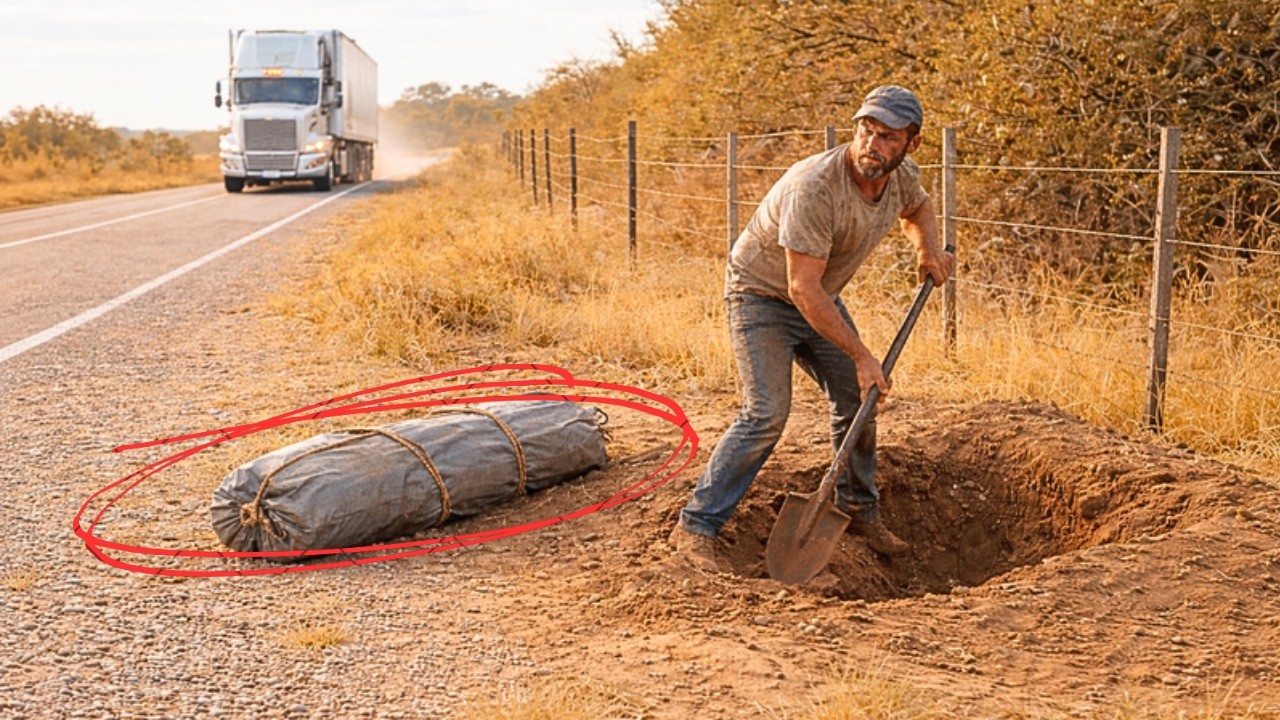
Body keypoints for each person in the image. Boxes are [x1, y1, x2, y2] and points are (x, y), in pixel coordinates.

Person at [668, 85, 954, 573]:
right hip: (761, 295)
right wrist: (863, 355)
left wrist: (927, 249)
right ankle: (697, 527)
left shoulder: (903, 177)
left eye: (887, 136)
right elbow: (802, 290)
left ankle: (860, 511)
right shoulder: (815, 186)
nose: (872, 144)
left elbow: (920, 208)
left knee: (858, 399)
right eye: (866, 130)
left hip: (819, 296)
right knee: (765, 414)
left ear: (913, 143)